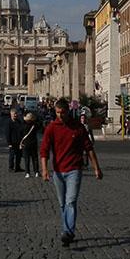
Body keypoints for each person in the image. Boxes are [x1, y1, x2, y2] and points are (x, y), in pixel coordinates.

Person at [40, 99, 103, 247]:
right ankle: (66, 229)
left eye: (62, 113)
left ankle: (68, 231)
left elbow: (89, 149)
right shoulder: (51, 128)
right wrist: (44, 170)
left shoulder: (78, 127)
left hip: (74, 169)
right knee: (62, 203)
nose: (60, 115)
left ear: (68, 111)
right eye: (57, 113)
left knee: (71, 201)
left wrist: (96, 168)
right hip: (58, 171)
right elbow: (44, 150)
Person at [20, 113, 40, 178]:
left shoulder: (23, 125)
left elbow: (20, 133)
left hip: (26, 143)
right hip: (33, 143)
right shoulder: (35, 125)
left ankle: (27, 173)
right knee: (35, 159)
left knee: (27, 159)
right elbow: (40, 127)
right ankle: (36, 172)